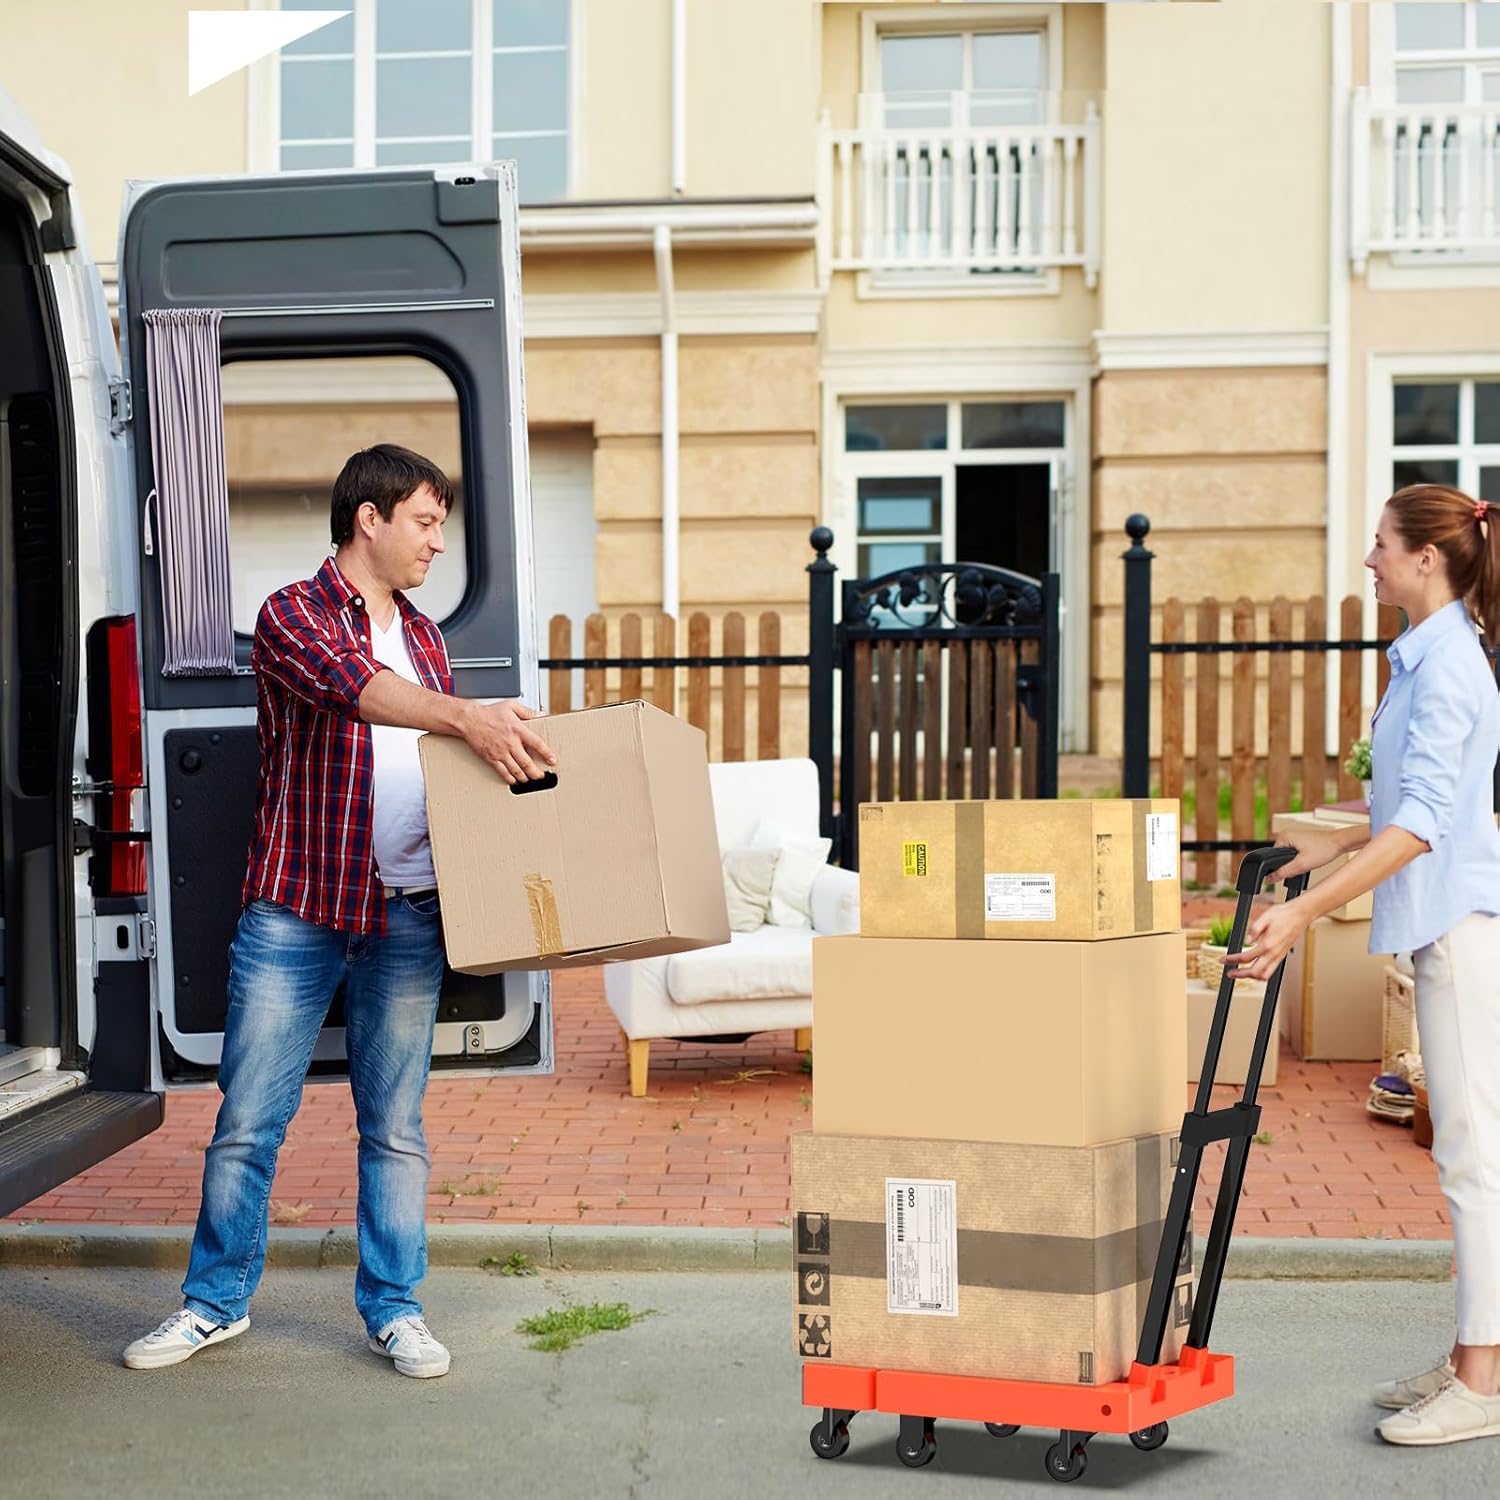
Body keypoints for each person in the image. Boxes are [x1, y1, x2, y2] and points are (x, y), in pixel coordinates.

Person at [123, 444, 555, 1379]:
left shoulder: (430, 636)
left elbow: (445, 759)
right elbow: (357, 690)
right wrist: (465, 716)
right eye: (427, 522)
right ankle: (213, 1305)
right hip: (298, 912)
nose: (439, 543)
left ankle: (396, 1310)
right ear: (371, 518)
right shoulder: (291, 615)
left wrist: (505, 747)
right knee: (248, 1119)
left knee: (394, 1127)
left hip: (408, 917)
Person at [1227, 482, 1500, 1446]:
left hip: (1461, 931)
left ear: (1428, 556)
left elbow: (1425, 825)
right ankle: (1474, 1354)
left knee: (1474, 1161)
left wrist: (1302, 913)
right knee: (1471, 1157)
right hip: (1445, 926)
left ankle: (1482, 1382)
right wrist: (1320, 850)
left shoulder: (1450, 665)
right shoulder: (1425, 658)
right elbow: (1403, 808)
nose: (1370, 558)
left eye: (1381, 543)